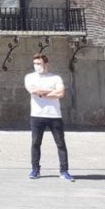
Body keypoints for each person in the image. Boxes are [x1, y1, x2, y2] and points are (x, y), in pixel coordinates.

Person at [24, 53, 74, 181]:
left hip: (54, 115)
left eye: (39, 64)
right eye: (35, 64)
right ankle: (35, 169)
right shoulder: (30, 77)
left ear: (46, 64)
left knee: (61, 144)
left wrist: (42, 93)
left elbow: (61, 93)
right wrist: (51, 92)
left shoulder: (55, 78)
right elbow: (33, 91)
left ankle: (64, 171)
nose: (36, 66)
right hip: (37, 115)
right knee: (35, 143)